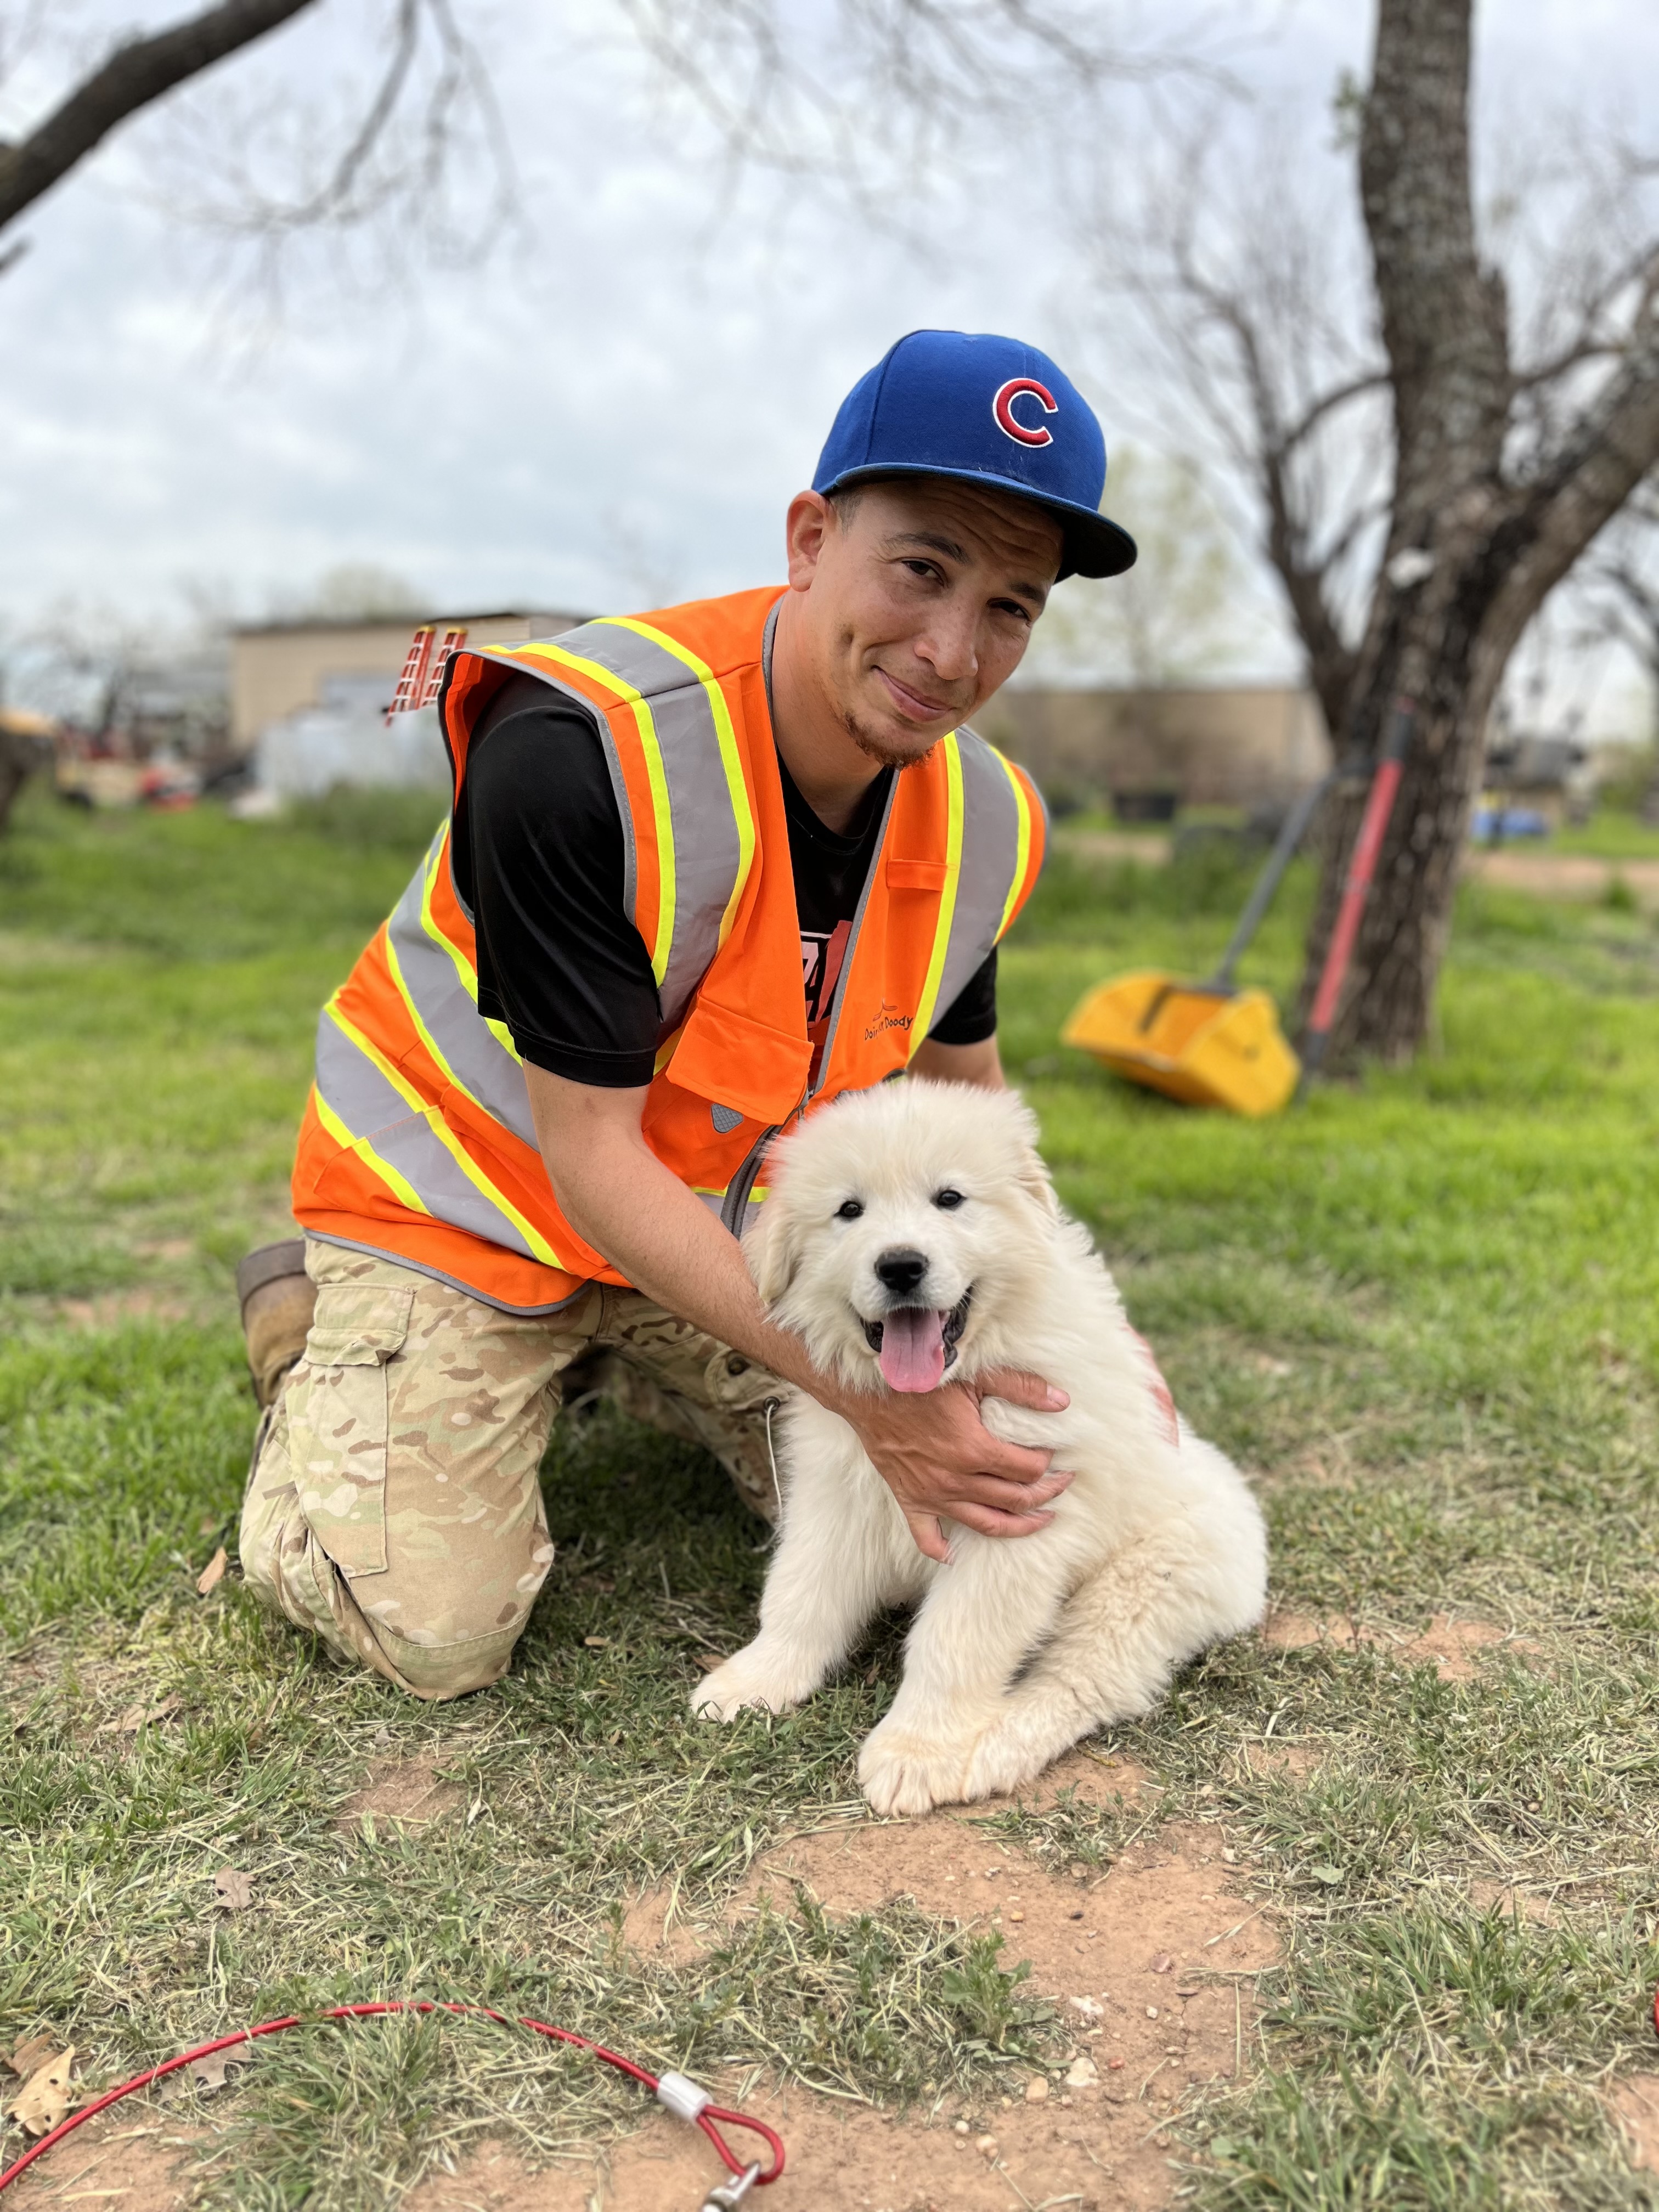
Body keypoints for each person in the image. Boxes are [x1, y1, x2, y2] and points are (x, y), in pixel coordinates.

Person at [236, 328, 1137, 1701]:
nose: (955, 651)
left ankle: (629, 1362)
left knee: (947, 1507)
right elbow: (590, 1155)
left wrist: (1111, 1363)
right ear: (809, 535)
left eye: (1012, 605)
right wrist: (858, 1403)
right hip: (459, 1213)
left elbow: (981, 1138)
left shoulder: (988, 822)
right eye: (923, 568)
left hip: (693, 1228)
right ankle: (314, 1348)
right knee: (435, 1633)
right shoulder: (580, 752)